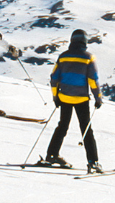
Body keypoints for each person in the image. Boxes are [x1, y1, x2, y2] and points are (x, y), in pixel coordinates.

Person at [39, 29, 104, 174]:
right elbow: (93, 80)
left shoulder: (63, 57)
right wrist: (98, 98)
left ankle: (51, 155)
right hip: (81, 98)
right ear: (85, 42)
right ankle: (93, 162)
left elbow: (54, 78)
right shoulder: (88, 57)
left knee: (62, 126)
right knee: (86, 129)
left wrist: (56, 97)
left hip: (64, 97)